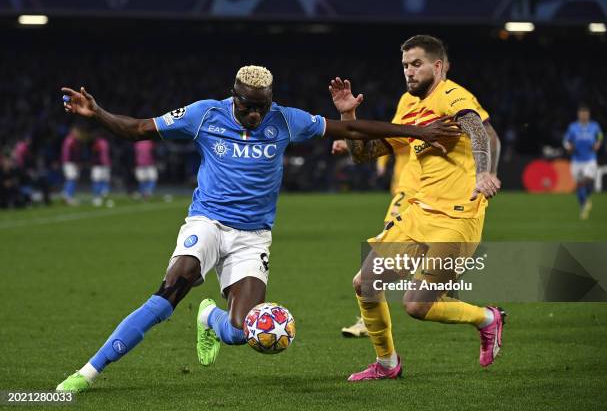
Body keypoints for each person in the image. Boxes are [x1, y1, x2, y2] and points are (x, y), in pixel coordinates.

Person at [55, 65, 460, 393]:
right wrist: (99, 113)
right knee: (176, 281)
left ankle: (210, 320)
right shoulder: (204, 114)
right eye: (249, 108)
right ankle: (89, 371)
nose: (256, 116)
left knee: (244, 331)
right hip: (208, 222)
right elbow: (138, 128)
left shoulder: (286, 120)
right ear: (235, 98)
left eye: (262, 108)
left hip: (253, 237)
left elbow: (352, 130)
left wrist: (418, 132)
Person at [330, 35, 503, 381]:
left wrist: (484, 173)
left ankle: (487, 318)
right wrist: (349, 115)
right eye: (405, 65)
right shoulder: (407, 106)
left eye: (417, 64)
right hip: (418, 213)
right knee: (365, 283)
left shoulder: (452, 94)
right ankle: (387, 364)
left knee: (417, 305)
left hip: (458, 216)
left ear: (437, 66)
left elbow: (479, 131)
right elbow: (365, 153)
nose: (409, 71)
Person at [563, 105, 603, 220]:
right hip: (576, 160)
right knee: (579, 185)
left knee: (588, 179)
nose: (584, 116)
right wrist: (568, 147)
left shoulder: (594, 126)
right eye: (582, 113)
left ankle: (586, 201)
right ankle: (584, 206)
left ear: (588, 115)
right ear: (578, 115)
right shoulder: (573, 127)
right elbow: (566, 140)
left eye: (586, 114)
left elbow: (600, 135)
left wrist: (598, 143)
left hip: (590, 159)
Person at [61, 126, 82, 205]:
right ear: (73, 132)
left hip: (66, 162)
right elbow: (73, 153)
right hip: (70, 162)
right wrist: (76, 163)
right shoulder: (72, 141)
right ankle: (68, 197)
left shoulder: (67, 139)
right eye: (77, 132)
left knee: (70, 179)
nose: (79, 134)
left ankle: (66, 195)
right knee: (72, 179)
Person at [91, 133, 112, 207]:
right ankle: (104, 196)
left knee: (97, 181)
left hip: (98, 165)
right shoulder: (106, 143)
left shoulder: (97, 143)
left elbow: (94, 154)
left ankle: (97, 197)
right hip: (105, 165)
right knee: (104, 181)